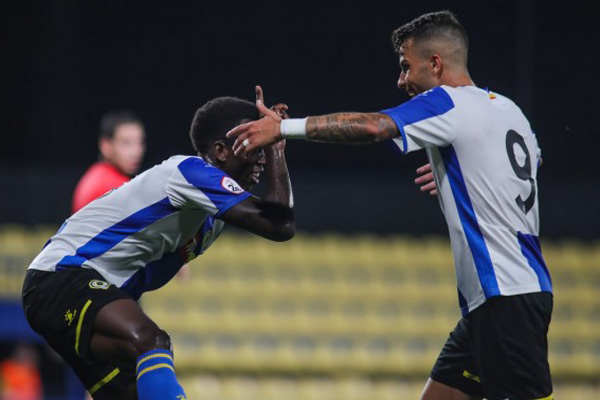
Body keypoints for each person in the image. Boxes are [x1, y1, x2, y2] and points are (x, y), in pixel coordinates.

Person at [227, 11, 552, 400]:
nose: (401, 81)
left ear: (435, 64)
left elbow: (373, 127)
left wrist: (283, 128)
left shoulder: (447, 102)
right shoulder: (508, 109)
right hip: (500, 298)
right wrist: (471, 172)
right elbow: (533, 159)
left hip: (505, 296)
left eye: (405, 67)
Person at [22, 94, 294, 400]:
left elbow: (281, 221)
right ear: (220, 151)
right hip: (61, 278)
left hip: (77, 291)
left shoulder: (213, 221)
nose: (260, 158)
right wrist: (275, 143)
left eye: (262, 149)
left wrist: (277, 149)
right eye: (253, 147)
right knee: (152, 342)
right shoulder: (188, 172)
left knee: (135, 391)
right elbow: (279, 226)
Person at [72, 111, 146, 214]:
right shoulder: (114, 187)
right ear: (105, 145)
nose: (136, 152)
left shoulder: (96, 175)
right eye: (126, 143)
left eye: (140, 142)